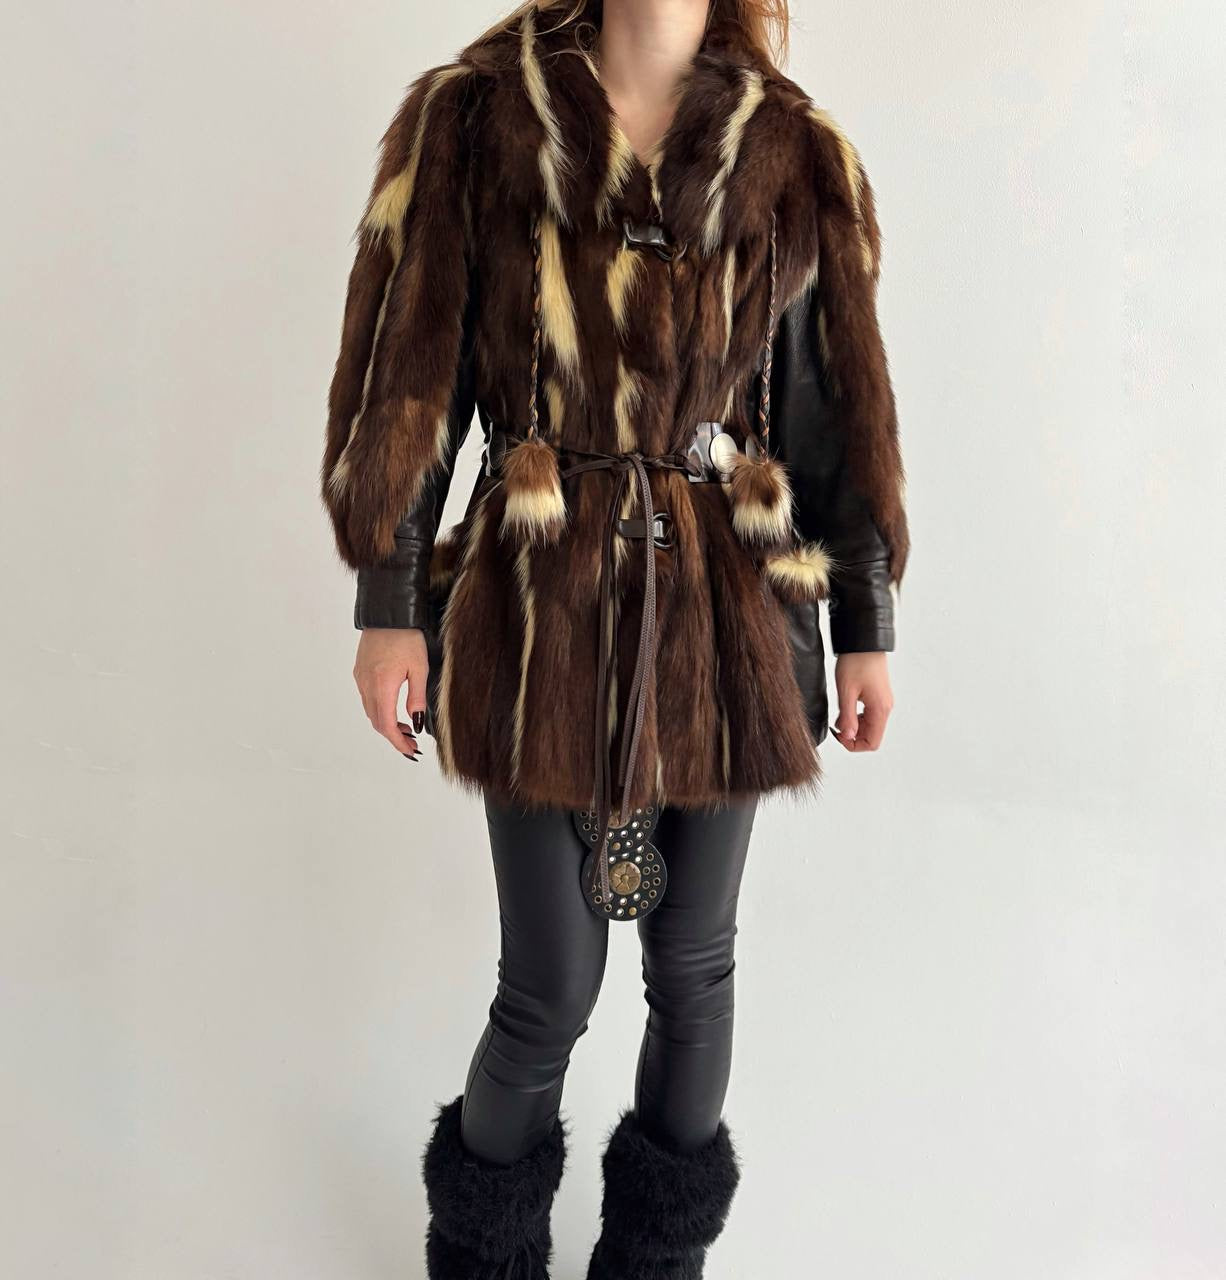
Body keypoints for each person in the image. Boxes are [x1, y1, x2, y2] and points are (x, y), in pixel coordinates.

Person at [322, 0, 907, 1274]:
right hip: (535, 602)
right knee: (548, 985)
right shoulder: (476, 119)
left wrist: (862, 621)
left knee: (693, 966)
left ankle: (654, 1261)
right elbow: (409, 380)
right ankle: (484, 1255)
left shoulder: (793, 152)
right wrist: (387, 602)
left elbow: (836, 413)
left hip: (728, 614)